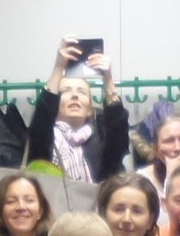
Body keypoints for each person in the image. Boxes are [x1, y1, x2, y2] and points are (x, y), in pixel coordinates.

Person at [26, 38, 131, 185]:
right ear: (56, 103)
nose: (74, 95)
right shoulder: (43, 136)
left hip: (97, 200)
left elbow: (118, 130)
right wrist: (59, 67)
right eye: (66, 91)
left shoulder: (101, 137)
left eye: (81, 92)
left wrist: (108, 79)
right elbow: (43, 116)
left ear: (89, 109)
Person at [145, 112, 180, 202]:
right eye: (169, 141)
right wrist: (171, 176)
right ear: (156, 149)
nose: (178, 148)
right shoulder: (143, 180)